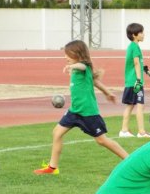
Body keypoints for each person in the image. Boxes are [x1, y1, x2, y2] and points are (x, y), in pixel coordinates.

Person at [33, 40, 128, 175]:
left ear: (78, 54)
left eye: (68, 54)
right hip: (74, 111)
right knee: (57, 133)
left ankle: (129, 160)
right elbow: (95, 82)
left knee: (101, 140)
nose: (65, 57)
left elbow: (83, 67)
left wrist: (73, 66)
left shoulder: (83, 67)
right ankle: (52, 168)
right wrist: (108, 93)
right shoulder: (76, 70)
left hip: (88, 112)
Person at [118, 23, 150, 138]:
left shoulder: (132, 47)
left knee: (130, 105)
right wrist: (139, 80)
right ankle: (141, 132)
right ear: (134, 35)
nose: (143, 35)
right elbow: (135, 62)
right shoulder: (134, 47)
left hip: (131, 81)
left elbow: (137, 63)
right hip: (135, 82)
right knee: (140, 105)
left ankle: (124, 131)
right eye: (141, 33)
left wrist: (145, 70)